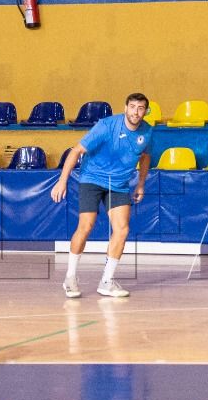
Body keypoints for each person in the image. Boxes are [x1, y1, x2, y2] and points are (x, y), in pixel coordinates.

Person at [51, 92, 153, 299]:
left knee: (122, 230)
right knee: (86, 226)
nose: (136, 111)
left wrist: (141, 184)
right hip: (92, 178)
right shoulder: (107, 126)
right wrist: (62, 180)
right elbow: (76, 151)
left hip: (118, 184)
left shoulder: (148, 132)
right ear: (125, 108)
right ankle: (70, 277)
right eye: (132, 107)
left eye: (140, 108)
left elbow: (145, 157)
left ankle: (107, 281)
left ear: (145, 111)